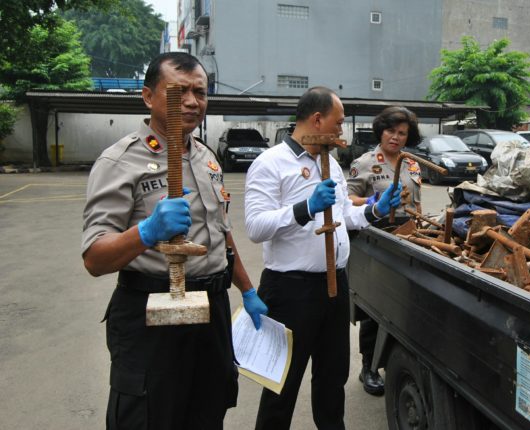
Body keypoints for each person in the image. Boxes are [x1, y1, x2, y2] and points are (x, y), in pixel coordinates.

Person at [81, 52, 267, 429]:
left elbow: (222, 234)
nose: (192, 102)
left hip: (211, 310)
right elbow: (95, 258)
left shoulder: (206, 158)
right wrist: (147, 231)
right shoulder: (120, 162)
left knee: (207, 411)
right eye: (178, 92)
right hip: (151, 313)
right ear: (149, 97)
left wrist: (247, 290)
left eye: (200, 92)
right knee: (150, 417)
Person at [244, 86, 402, 430]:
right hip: (290, 291)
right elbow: (256, 227)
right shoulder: (270, 163)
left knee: (332, 380)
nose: (342, 131)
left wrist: (376, 210)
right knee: (280, 385)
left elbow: (345, 215)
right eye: (339, 122)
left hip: (334, 287)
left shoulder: (329, 164)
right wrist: (305, 208)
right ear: (317, 119)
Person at [346, 106, 422, 396]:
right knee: (375, 306)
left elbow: (417, 202)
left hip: (411, 239)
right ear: (381, 131)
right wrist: (373, 201)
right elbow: (347, 198)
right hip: (377, 238)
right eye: (391, 131)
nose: (396, 137)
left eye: (402, 133)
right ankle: (368, 366)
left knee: (405, 305)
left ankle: (395, 360)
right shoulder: (364, 162)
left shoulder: (412, 163)